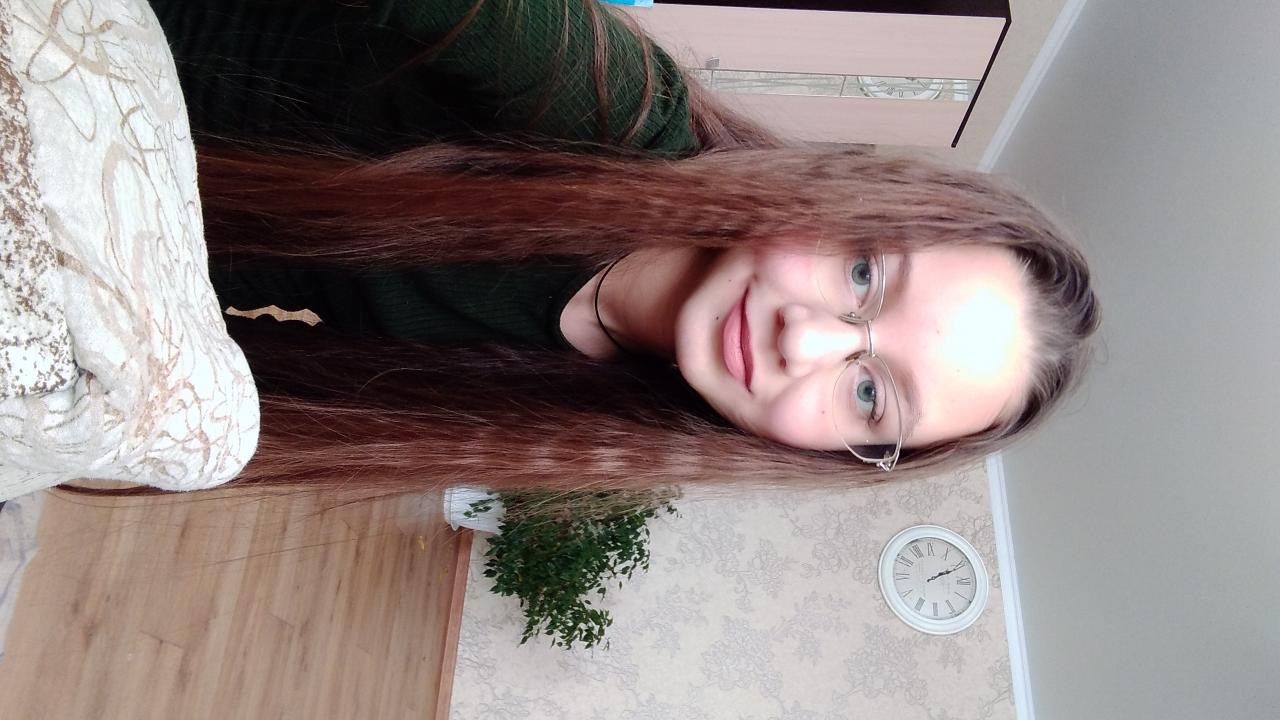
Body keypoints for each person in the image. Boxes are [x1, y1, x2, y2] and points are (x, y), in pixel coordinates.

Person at [115, 0, 1098, 495]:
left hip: (101, 237)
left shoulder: (571, 418)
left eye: (871, 393)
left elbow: (215, 351)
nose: (805, 341)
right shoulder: (610, 112)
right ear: (845, 201)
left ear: (852, 453)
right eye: (862, 275)